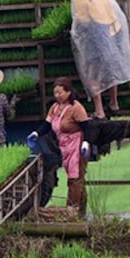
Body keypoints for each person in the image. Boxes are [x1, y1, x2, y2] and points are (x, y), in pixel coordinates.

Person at [51, 0, 130, 120]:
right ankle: (113, 103)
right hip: (110, 36)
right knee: (110, 70)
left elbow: (82, 23)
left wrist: (73, 33)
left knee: (91, 75)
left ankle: (99, 111)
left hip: (94, 43)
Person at [32, 77, 90, 215]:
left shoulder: (76, 108)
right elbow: (47, 125)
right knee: (74, 177)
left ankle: (73, 209)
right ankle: (79, 210)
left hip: (76, 145)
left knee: (75, 177)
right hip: (64, 146)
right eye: (55, 93)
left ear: (68, 92)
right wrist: (36, 133)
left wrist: (86, 143)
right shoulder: (55, 107)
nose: (57, 95)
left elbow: (87, 128)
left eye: (60, 93)